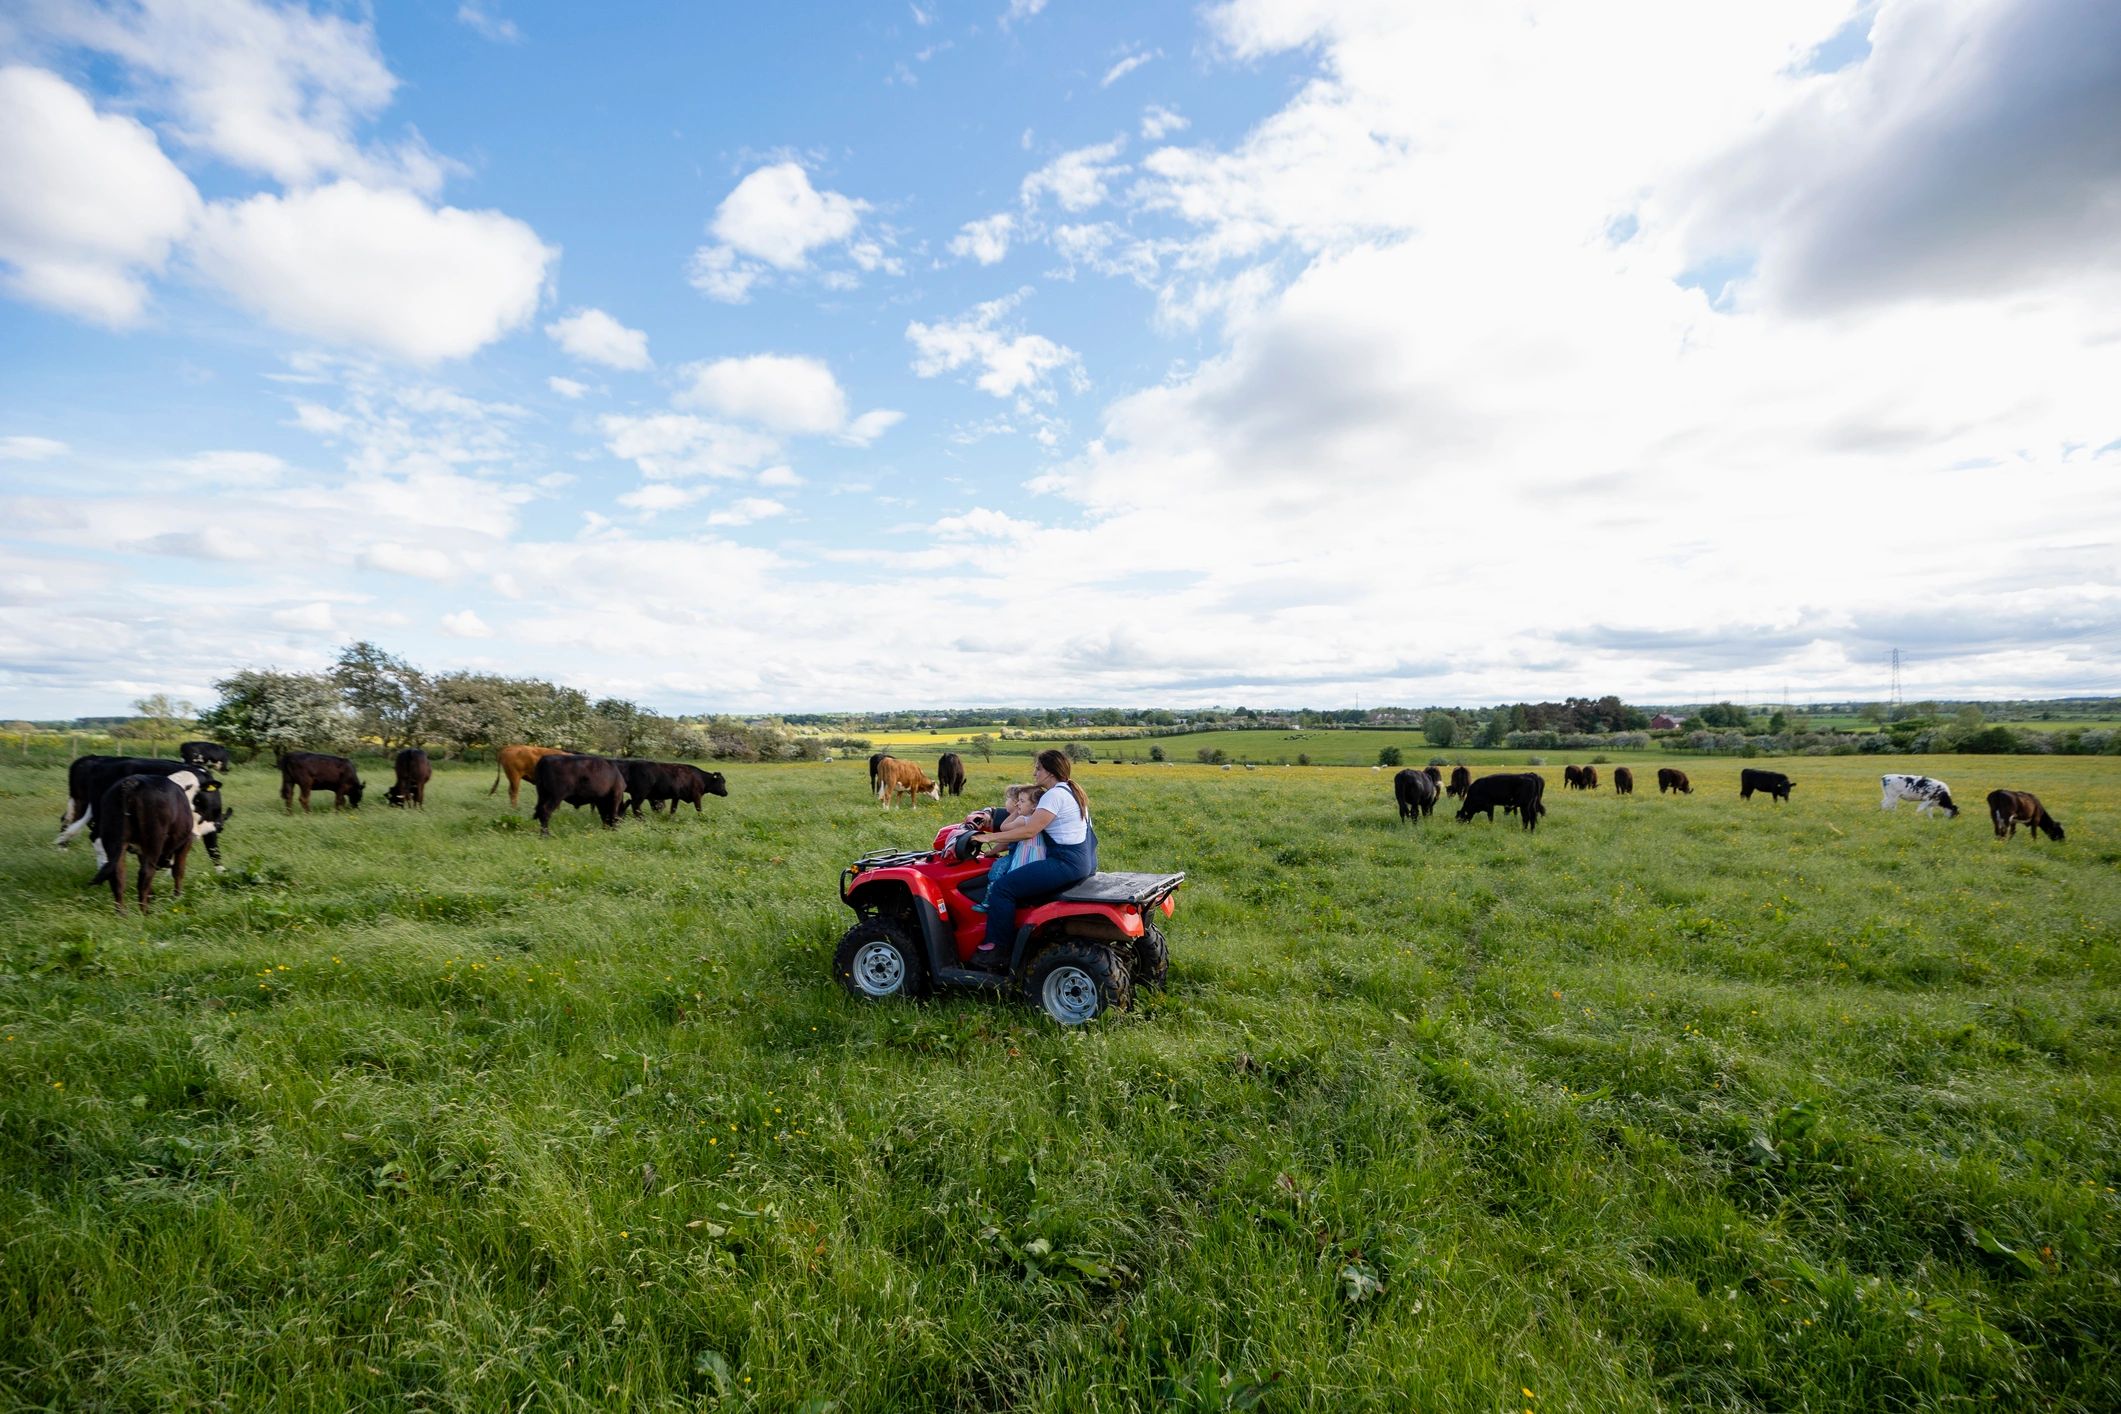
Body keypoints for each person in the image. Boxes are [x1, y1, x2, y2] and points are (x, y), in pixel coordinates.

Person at [972, 750, 1097, 959]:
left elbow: (1030, 830)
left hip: (1065, 862)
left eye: (1038, 768)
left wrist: (987, 838)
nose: (1034, 773)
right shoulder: (1071, 791)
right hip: (1084, 861)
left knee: (1003, 888)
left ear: (1049, 772)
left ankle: (998, 949)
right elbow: (1027, 818)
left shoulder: (1053, 795)